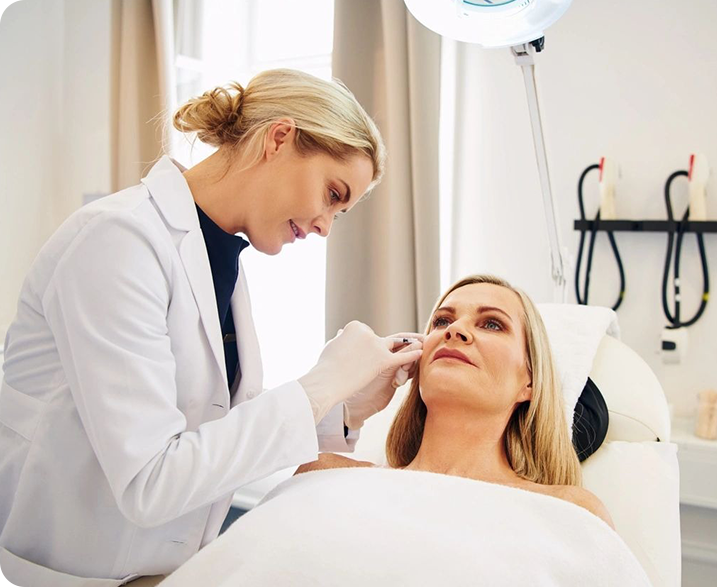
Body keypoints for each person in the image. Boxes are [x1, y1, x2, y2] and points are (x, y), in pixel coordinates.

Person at [0, 68, 422, 585]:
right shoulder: (119, 240)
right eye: (332, 194)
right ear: (280, 139)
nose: (325, 226)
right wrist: (322, 382)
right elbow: (151, 481)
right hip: (59, 569)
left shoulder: (221, 260)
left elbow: (214, 433)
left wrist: (346, 405)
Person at [296, 274, 614, 529]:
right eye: (442, 321)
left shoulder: (570, 511)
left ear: (529, 381)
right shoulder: (324, 473)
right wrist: (342, 406)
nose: (456, 330)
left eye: (492, 323)